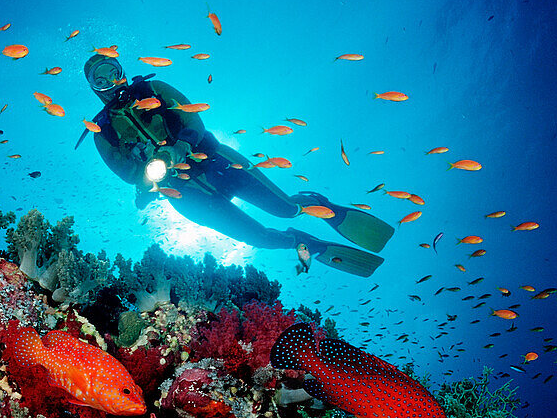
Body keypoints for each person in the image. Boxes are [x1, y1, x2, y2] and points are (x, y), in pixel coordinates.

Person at [80, 54, 395, 277]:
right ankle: (304, 242)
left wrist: (178, 149)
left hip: (219, 163)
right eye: (100, 78)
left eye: (112, 69)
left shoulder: (154, 89)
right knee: (259, 237)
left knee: (285, 209)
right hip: (187, 196)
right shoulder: (102, 132)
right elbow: (127, 174)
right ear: (94, 87)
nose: (109, 80)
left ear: (121, 68)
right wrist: (151, 173)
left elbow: (193, 119)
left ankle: (314, 204)